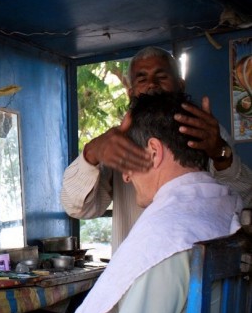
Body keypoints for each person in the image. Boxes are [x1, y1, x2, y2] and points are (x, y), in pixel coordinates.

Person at [64, 91, 242, 313]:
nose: (125, 176)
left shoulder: (166, 244)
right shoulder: (228, 211)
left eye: (128, 159)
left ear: (154, 152)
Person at [60, 46, 252, 252]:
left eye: (162, 77)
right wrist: (91, 153)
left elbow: (242, 201)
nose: (152, 85)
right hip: (138, 267)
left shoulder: (207, 132)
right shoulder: (115, 142)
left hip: (198, 266)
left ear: (180, 85)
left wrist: (220, 153)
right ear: (130, 92)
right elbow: (76, 207)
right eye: (142, 79)